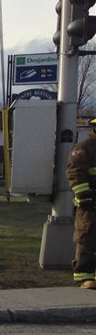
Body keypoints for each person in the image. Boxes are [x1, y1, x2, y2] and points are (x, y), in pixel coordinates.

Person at [68, 115, 96, 290]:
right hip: (90, 205)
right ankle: (85, 278)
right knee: (87, 238)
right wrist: (85, 196)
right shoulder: (84, 149)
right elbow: (76, 173)